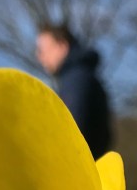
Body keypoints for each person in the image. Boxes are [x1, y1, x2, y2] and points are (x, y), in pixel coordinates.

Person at [35, 23, 112, 159]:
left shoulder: (75, 79)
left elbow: (72, 131)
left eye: (42, 50)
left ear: (62, 47)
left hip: (80, 168)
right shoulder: (81, 75)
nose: (40, 57)